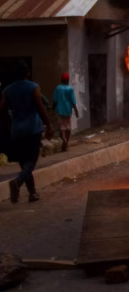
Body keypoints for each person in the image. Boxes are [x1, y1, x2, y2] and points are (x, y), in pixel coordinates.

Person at [0, 61, 54, 204]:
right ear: (28, 73)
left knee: (24, 163)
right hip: (33, 129)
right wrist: (49, 125)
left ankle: (32, 193)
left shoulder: (8, 90)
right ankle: (17, 181)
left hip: (17, 131)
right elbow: (40, 107)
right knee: (31, 161)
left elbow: (2, 109)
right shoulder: (33, 87)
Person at [52, 72, 79, 151]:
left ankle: (64, 141)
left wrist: (52, 108)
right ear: (68, 80)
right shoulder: (70, 89)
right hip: (67, 111)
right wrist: (76, 110)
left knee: (62, 128)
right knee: (68, 127)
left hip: (59, 111)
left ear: (61, 80)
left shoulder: (58, 88)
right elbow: (73, 101)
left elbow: (55, 100)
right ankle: (66, 142)